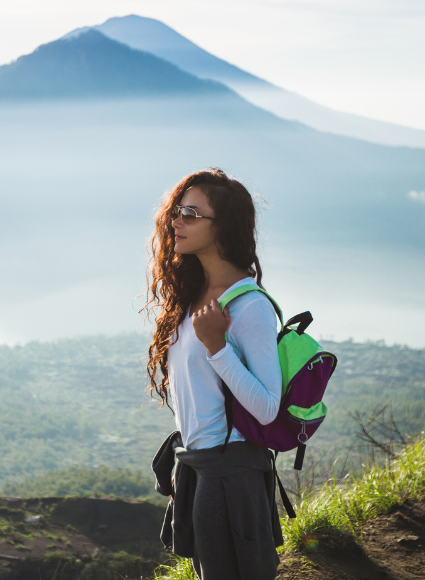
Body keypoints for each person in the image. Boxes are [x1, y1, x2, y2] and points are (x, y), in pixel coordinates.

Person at [145, 168, 282, 579]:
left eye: (190, 213)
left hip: (231, 472)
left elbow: (267, 409)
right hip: (200, 464)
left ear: (222, 228)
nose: (176, 221)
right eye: (177, 211)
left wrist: (217, 347)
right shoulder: (193, 297)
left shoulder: (249, 306)